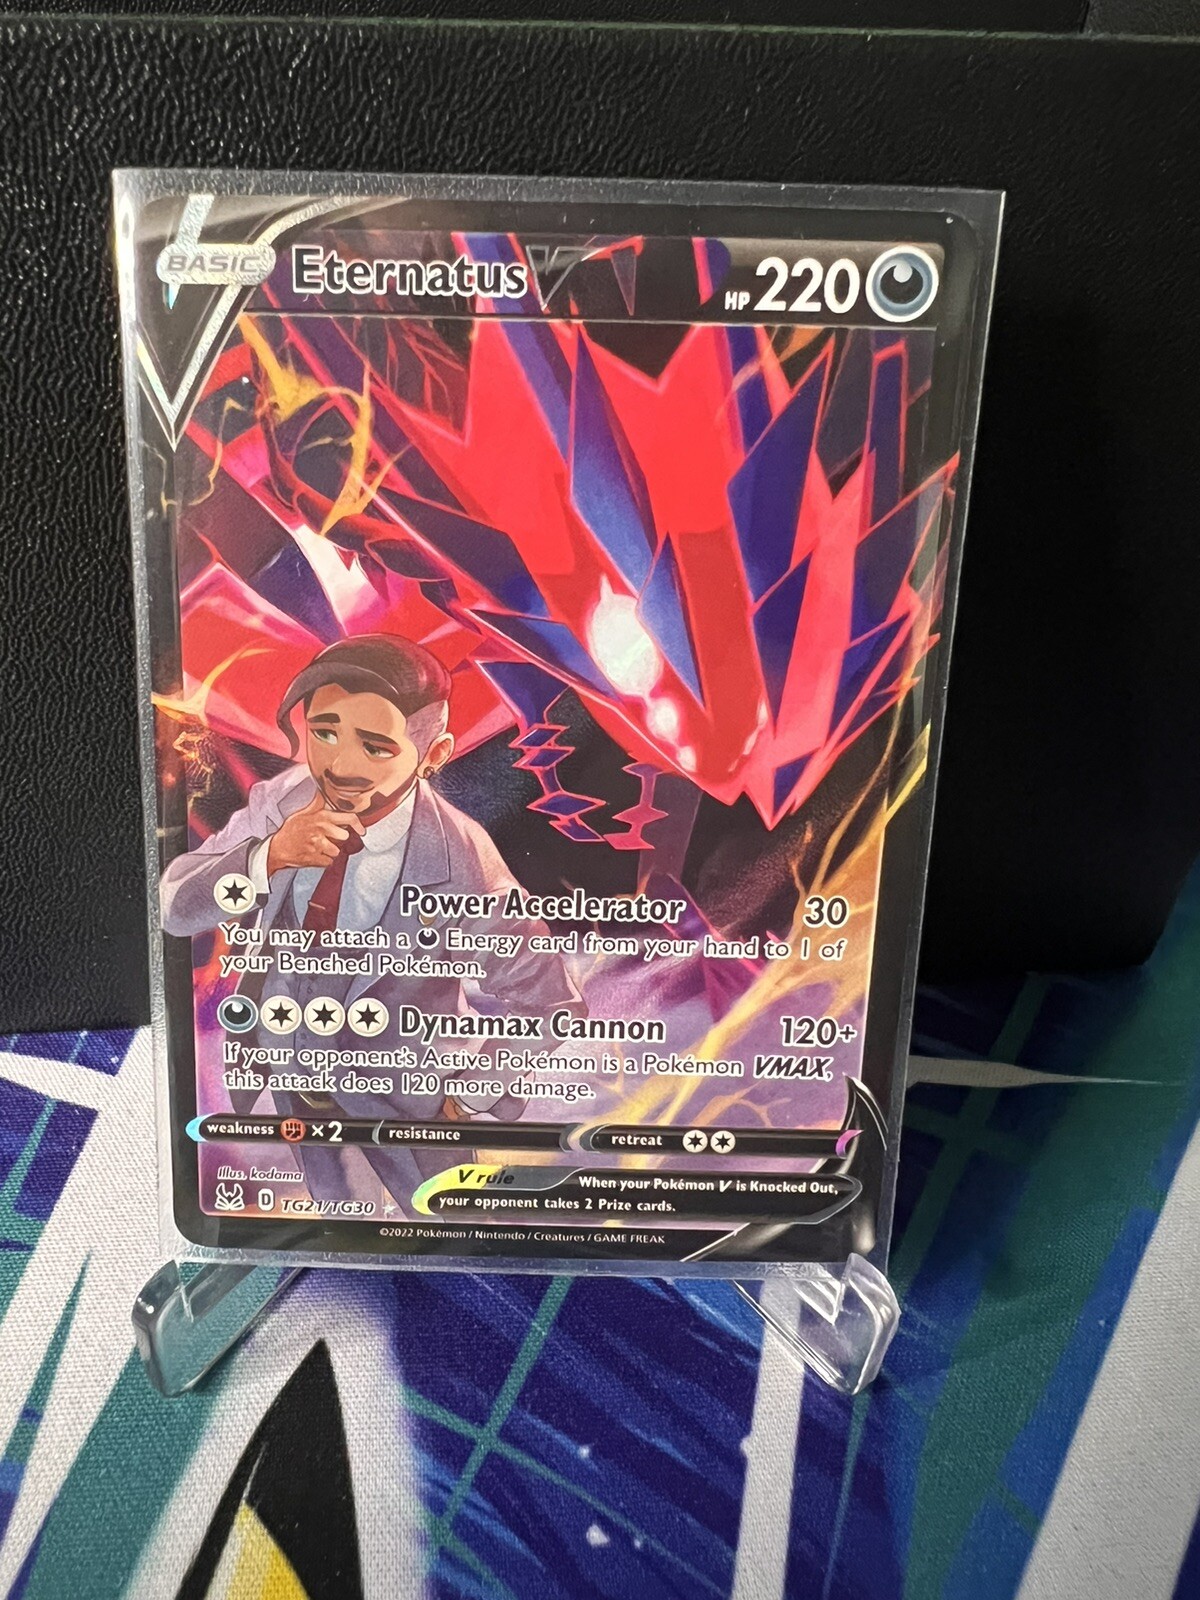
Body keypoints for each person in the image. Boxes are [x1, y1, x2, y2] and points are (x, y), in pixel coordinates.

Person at [161, 632, 582, 1211]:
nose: (340, 765)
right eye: (324, 733)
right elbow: (176, 907)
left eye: (376, 747)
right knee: (330, 1222)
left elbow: (551, 1002)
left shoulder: (458, 855)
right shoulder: (283, 801)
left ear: (434, 755)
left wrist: (474, 1095)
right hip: (292, 1087)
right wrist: (266, 856)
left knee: (444, 1233)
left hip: (410, 1109)